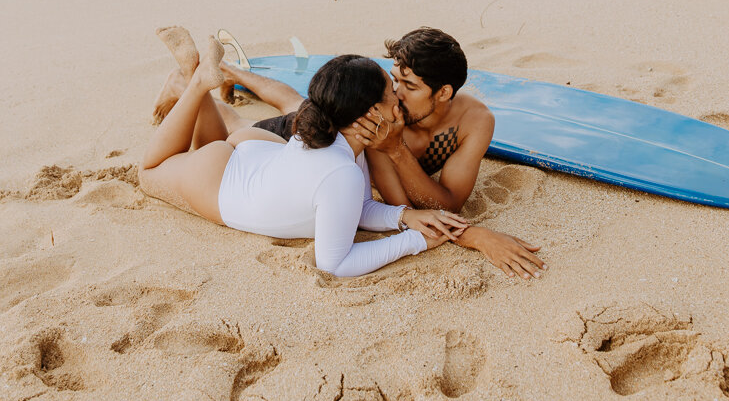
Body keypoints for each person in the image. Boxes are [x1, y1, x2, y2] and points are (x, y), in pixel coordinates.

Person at [219, 27, 547, 281]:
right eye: (394, 82)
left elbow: (448, 204)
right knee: (264, 116)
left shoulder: (475, 121)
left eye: (411, 86)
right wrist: (475, 236)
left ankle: (227, 72)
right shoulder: (376, 120)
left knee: (290, 102)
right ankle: (227, 73)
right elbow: (399, 208)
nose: (397, 95)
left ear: (444, 92)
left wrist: (396, 149)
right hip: (321, 133)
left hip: (369, 145)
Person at [140, 27, 468, 278]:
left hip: (253, 158)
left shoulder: (335, 134)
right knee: (149, 173)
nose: (397, 97)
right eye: (389, 93)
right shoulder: (342, 173)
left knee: (205, 148)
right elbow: (335, 264)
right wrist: (417, 241)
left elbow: (361, 206)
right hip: (222, 177)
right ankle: (196, 83)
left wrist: (404, 217)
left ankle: (197, 76)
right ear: (368, 113)